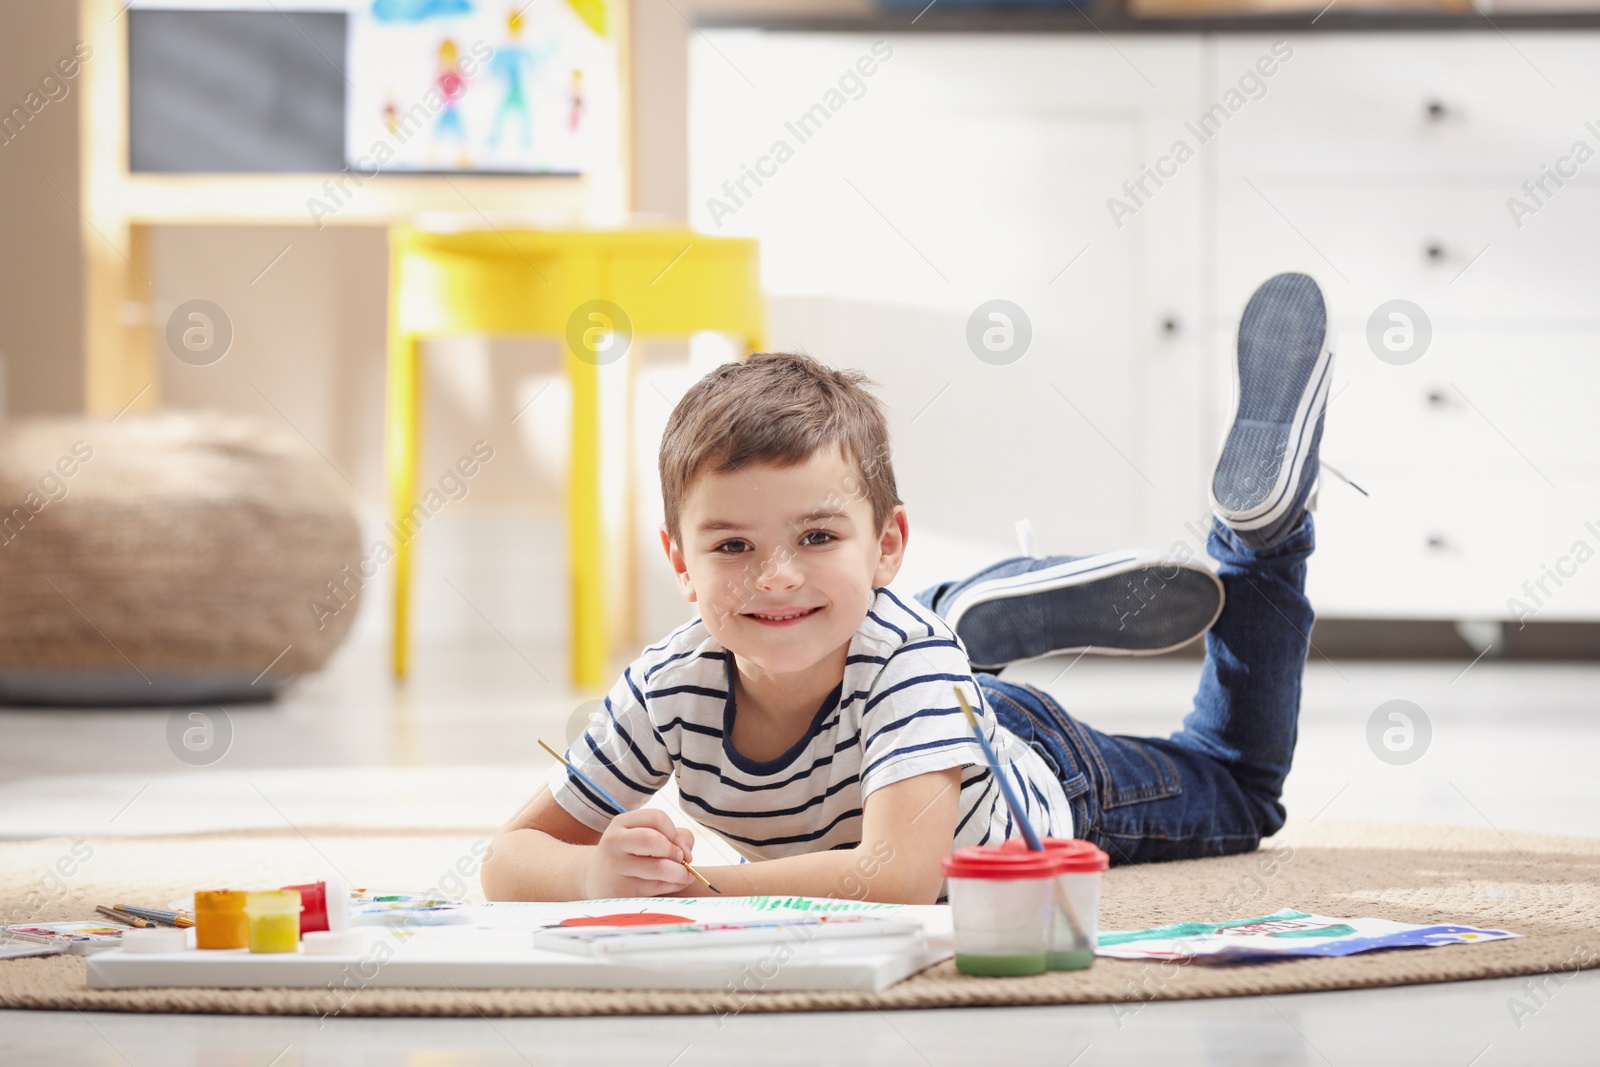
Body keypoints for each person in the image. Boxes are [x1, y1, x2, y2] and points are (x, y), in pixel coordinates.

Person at [480, 273, 1334, 904]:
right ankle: (960, 618)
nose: (773, 575)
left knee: (1240, 786)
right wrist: (594, 868)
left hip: (1034, 770)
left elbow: (898, 879)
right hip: (910, 694)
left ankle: (1261, 539)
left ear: (890, 541)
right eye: (732, 544)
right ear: (679, 563)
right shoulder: (672, 682)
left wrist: (701, 889)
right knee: (878, 634)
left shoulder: (904, 665)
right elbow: (506, 858)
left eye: (816, 536)